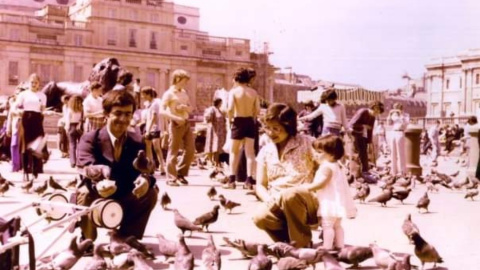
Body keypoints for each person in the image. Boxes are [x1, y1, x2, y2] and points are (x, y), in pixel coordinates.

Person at [76, 90, 158, 241]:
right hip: (97, 195)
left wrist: (145, 180)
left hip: (124, 196)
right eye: (118, 113)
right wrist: (100, 181)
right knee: (84, 192)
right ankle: (87, 239)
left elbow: (148, 170)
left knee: (151, 192)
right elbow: (85, 165)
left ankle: (126, 237)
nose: (123, 119)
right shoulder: (90, 139)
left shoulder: (137, 142)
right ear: (106, 114)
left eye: (128, 114)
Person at [253, 103, 319, 248]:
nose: (270, 133)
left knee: (289, 195)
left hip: (305, 202)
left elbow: (328, 166)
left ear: (288, 127)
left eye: (276, 128)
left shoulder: (308, 143)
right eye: (267, 128)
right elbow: (260, 185)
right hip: (276, 202)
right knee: (260, 217)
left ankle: (301, 245)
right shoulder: (265, 151)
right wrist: (268, 199)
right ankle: (287, 244)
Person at [304, 135, 356, 250]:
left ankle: (326, 247)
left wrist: (308, 187)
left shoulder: (326, 167)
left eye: (319, 152)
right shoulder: (337, 165)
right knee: (337, 225)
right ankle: (340, 245)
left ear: (331, 154)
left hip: (329, 202)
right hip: (337, 201)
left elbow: (321, 183)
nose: (316, 154)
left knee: (327, 225)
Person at [224, 67, 260, 190]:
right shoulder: (253, 92)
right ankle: (249, 180)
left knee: (234, 152)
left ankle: (231, 179)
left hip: (238, 121)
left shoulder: (233, 92)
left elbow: (229, 109)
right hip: (250, 121)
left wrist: (230, 121)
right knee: (250, 153)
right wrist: (253, 119)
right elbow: (257, 110)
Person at [160, 69, 195, 186]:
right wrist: (175, 117)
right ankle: (171, 178)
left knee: (190, 150)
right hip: (175, 124)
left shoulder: (184, 92)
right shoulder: (169, 93)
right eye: (184, 81)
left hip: (186, 122)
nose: (186, 84)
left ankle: (180, 173)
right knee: (173, 151)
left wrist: (185, 108)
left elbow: (191, 108)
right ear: (178, 79)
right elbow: (161, 111)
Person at [14, 73, 51, 180]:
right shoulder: (23, 94)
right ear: (28, 83)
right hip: (26, 119)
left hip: (37, 120)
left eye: (36, 82)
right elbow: (15, 106)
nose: (33, 84)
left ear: (39, 84)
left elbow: (43, 110)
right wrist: (17, 111)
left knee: (37, 146)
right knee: (25, 146)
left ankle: (35, 170)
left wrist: (47, 113)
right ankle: (25, 171)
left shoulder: (43, 96)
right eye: (32, 82)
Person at [347, 101, 384, 180]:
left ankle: (365, 171)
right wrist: (363, 125)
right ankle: (355, 173)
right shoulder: (363, 111)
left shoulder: (373, 117)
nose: (376, 114)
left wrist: (369, 143)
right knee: (356, 153)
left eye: (378, 113)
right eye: (377, 112)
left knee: (364, 152)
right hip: (353, 133)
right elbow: (351, 124)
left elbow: (370, 130)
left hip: (361, 134)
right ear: (374, 107)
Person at [141, 86, 166, 175]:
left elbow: (154, 117)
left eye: (143, 94)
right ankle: (151, 166)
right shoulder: (148, 104)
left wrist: (148, 129)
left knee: (156, 148)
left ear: (148, 94)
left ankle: (162, 166)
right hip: (148, 127)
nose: (142, 96)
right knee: (148, 148)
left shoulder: (155, 103)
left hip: (154, 128)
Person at [386, 103, 409, 175]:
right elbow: (389, 123)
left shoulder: (405, 115)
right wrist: (389, 114)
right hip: (393, 132)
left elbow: (405, 123)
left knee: (400, 153)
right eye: (394, 107)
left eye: (397, 107)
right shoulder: (393, 115)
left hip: (400, 132)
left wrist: (401, 114)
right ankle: (393, 171)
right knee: (393, 153)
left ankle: (402, 171)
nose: (395, 109)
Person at [203, 98, 227, 167]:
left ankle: (217, 162)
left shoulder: (219, 110)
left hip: (220, 132)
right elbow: (208, 118)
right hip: (214, 131)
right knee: (212, 146)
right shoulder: (212, 109)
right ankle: (210, 161)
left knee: (218, 148)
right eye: (220, 103)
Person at [65, 95, 84, 168]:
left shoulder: (70, 109)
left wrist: (66, 128)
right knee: (80, 145)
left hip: (71, 126)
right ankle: (80, 161)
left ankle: (73, 162)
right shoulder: (81, 109)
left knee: (72, 145)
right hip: (79, 127)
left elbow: (67, 120)